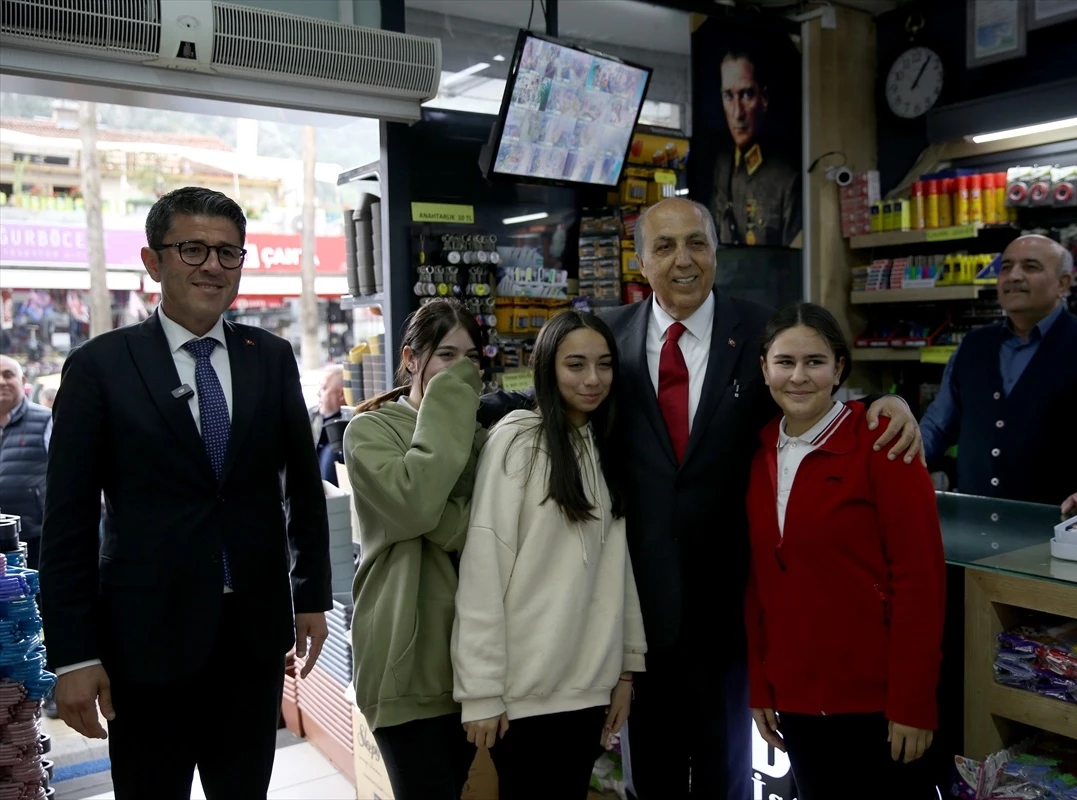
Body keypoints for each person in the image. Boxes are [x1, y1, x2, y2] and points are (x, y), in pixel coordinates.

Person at [482, 198, 921, 799]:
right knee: (650, 779)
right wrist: (446, 402)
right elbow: (555, 395)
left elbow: (808, 391)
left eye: (696, 243)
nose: (683, 260)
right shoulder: (609, 335)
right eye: (664, 246)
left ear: (716, 252)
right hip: (638, 610)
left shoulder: (761, 330)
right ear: (640, 261)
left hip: (732, 611)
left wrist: (881, 404)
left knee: (727, 778)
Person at [39, 186, 332, 799]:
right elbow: (67, 523)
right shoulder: (100, 367)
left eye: (228, 252)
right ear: (154, 262)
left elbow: (304, 490)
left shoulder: (270, 357)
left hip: (251, 640)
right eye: (192, 249)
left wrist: (310, 595)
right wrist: (73, 656)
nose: (212, 266)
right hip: (145, 644)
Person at [745, 303, 946, 799]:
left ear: (838, 368)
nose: (798, 376)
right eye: (785, 362)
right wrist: (761, 684)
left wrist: (913, 702)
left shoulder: (883, 442)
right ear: (765, 368)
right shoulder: (759, 449)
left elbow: (921, 581)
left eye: (814, 362)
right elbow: (758, 582)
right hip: (795, 696)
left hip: (877, 701)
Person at [453, 311, 646, 799]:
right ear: (546, 368)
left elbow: (616, 570)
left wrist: (626, 669)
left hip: (590, 689)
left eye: (604, 364)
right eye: (575, 365)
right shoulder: (517, 440)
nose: (592, 379)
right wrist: (480, 690)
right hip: (523, 697)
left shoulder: (602, 445)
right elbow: (483, 569)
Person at [342, 298, 488, 800]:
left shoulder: (482, 437)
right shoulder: (369, 431)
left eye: (471, 359)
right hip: (402, 657)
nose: (460, 371)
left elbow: (482, 530)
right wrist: (448, 403)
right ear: (410, 358)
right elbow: (418, 506)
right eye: (446, 355)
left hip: (468, 657)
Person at [920, 234, 1077, 514]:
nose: (1013, 276)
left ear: (1063, 284)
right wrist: (892, 462)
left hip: (1061, 526)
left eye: (1030, 267)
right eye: (1006, 267)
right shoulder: (973, 345)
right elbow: (937, 426)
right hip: (975, 525)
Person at [709, 47, 802, 248]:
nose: (737, 113)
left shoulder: (786, 179)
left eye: (746, 94)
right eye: (728, 96)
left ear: (764, 98)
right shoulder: (722, 166)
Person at [0, 355, 52, 570]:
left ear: (22, 381)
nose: (1, 381)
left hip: (35, 541)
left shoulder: (47, 420)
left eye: (8, 375)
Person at [311, 364, 346, 485]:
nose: (318, 393)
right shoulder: (312, 419)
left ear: (341, 394)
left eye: (324, 388)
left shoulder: (349, 430)